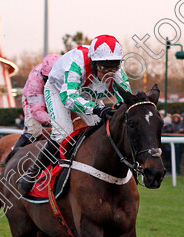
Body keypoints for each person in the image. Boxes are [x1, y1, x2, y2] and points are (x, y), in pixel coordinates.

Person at [17, 35, 131, 195]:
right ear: (93, 62)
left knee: (104, 127)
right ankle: (32, 173)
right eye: (104, 68)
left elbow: (127, 99)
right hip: (59, 90)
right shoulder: (77, 63)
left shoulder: (116, 70)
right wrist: (98, 109)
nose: (108, 74)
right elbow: (69, 97)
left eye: (113, 68)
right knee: (63, 133)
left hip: (86, 92)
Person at [12, 54, 61, 152]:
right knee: (34, 130)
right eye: (48, 79)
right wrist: (55, 121)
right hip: (33, 100)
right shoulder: (35, 80)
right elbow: (37, 111)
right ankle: (13, 155)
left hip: (55, 97)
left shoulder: (69, 70)